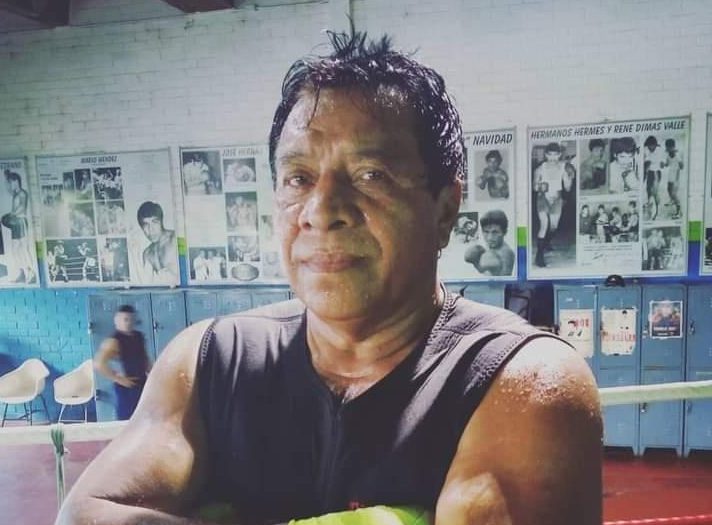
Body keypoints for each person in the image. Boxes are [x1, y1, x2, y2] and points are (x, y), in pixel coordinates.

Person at [58, 29, 601, 525]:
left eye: (370, 174)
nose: (322, 210)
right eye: (298, 177)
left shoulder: (520, 378)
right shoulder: (210, 361)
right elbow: (85, 517)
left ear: (444, 208)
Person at [93, 304, 152, 420]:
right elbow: (98, 364)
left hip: (142, 384)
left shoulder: (139, 336)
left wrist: (153, 375)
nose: (129, 322)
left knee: (145, 418)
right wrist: (118, 378)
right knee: (127, 420)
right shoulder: (113, 341)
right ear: (117, 320)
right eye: (125, 319)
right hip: (127, 388)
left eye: (131, 319)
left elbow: (145, 358)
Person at [532, 142, 575, 266]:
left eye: (555, 155)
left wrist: (569, 178)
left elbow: (567, 188)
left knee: (553, 227)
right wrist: (539, 186)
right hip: (543, 198)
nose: (552, 158)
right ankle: (539, 256)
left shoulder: (563, 167)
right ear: (546, 155)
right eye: (550, 155)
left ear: (559, 155)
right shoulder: (540, 169)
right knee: (544, 225)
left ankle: (546, 243)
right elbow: (534, 187)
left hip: (557, 198)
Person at [1, 170, 35, 283]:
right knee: (15, 250)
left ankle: (31, 271)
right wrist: (6, 177)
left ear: (16, 181)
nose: (10, 185)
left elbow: (22, 208)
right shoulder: (15, 193)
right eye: (9, 182)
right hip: (16, 223)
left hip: (21, 222)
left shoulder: (22, 193)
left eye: (11, 182)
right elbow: (7, 188)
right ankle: (23, 272)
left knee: (24, 248)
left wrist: (12, 214)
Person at [137, 201, 178, 284]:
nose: (151, 229)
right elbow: (147, 283)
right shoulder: (147, 253)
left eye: (154, 222)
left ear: (161, 222)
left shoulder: (175, 239)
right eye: (146, 225)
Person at [463, 210, 514, 276]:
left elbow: (481, 268)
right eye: (486, 232)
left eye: (495, 232)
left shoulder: (505, 253)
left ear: (505, 232)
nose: (490, 237)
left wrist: (476, 261)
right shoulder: (492, 247)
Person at [663, 138, 683, 219]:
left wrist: (679, 165)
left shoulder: (677, 156)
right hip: (670, 175)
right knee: (668, 189)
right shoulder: (668, 155)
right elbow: (667, 164)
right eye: (667, 147)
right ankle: (671, 200)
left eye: (669, 147)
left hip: (676, 177)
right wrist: (664, 164)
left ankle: (679, 212)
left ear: (673, 147)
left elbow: (682, 166)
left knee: (674, 194)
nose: (668, 149)